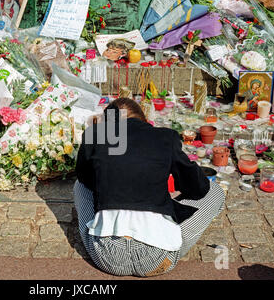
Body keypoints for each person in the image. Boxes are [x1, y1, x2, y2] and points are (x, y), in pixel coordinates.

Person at [74, 98, 225, 277]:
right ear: (145, 120)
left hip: (106, 256)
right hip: (158, 258)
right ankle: (169, 227)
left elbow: (84, 178)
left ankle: (102, 225)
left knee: (79, 186)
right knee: (215, 191)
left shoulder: (96, 134)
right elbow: (198, 188)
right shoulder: (166, 137)